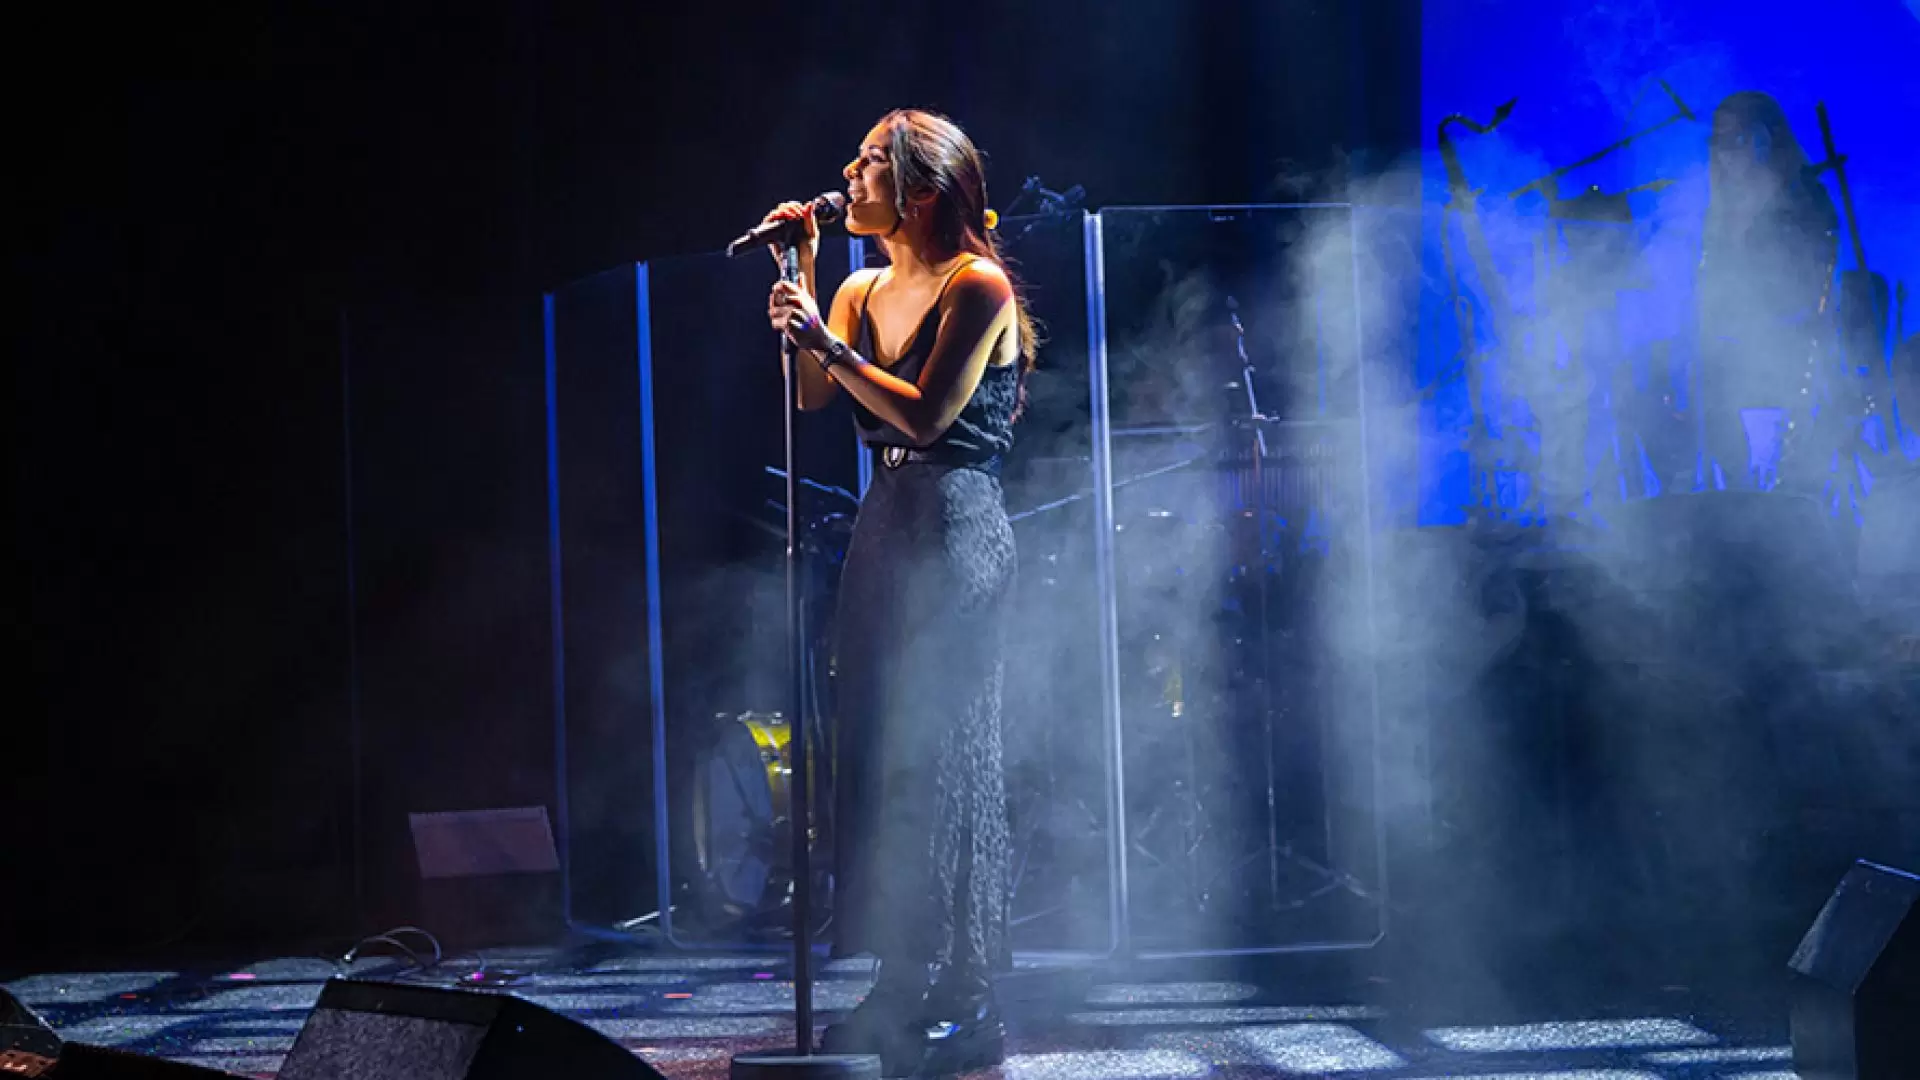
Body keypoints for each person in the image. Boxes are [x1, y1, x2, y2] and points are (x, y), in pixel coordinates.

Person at [758, 108, 1038, 1076]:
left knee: (950, 753)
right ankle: (901, 972)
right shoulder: (861, 286)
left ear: (922, 190)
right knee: (879, 750)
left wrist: (830, 349)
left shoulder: (981, 286)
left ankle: (970, 991)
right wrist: (798, 284)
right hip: (885, 534)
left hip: (957, 532)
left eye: (871, 162)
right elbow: (813, 399)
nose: (848, 173)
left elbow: (922, 417)